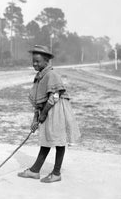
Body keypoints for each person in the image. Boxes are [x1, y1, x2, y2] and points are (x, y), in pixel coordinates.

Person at [18, 45, 80, 183]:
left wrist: (44, 113)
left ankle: (56, 173)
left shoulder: (52, 75)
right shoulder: (40, 76)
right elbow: (38, 101)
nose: (34, 64)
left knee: (58, 141)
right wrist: (35, 119)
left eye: (38, 61)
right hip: (47, 108)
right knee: (46, 139)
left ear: (46, 61)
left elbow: (55, 96)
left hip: (56, 109)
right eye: (33, 61)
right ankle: (35, 171)